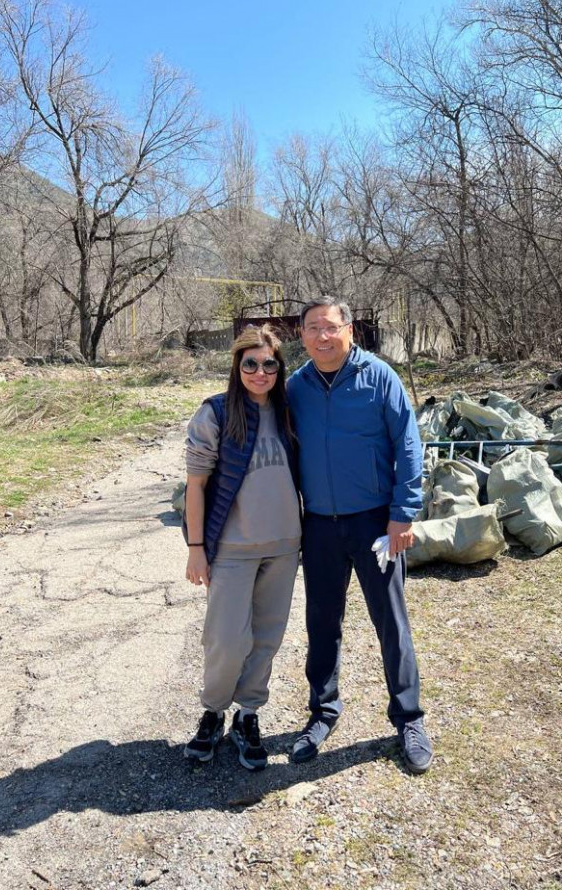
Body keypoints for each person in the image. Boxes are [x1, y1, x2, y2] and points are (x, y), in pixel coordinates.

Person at [287, 296, 433, 774]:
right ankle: (322, 712)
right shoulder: (296, 387)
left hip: (375, 523)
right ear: (302, 335)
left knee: (391, 622)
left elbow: (408, 446)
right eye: (313, 328)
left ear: (350, 330)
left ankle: (408, 718)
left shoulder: (380, 377)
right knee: (321, 623)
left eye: (331, 326)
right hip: (319, 526)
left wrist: (402, 515)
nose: (322, 336)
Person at [182, 324, 300, 770]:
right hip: (232, 547)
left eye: (269, 364)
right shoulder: (214, 412)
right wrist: (196, 547)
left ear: (279, 368)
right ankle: (213, 711)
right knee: (226, 641)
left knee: (266, 639)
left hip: (284, 546)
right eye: (250, 363)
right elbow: (196, 486)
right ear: (236, 364)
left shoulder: (289, 412)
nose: (260, 372)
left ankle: (248, 714)